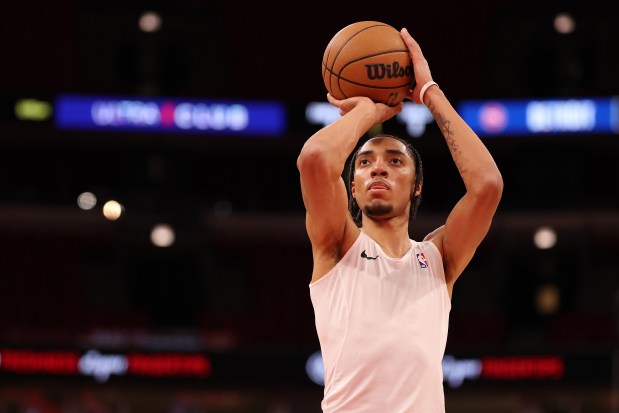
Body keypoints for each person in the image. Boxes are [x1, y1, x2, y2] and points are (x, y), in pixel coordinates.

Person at [296, 27, 503, 412]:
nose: (378, 169)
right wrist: (368, 112)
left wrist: (429, 93)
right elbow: (315, 160)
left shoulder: (439, 259)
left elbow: (487, 185)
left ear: (416, 186)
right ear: (352, 189)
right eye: (364, 163)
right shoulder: (338, 245)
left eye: (395, 161)